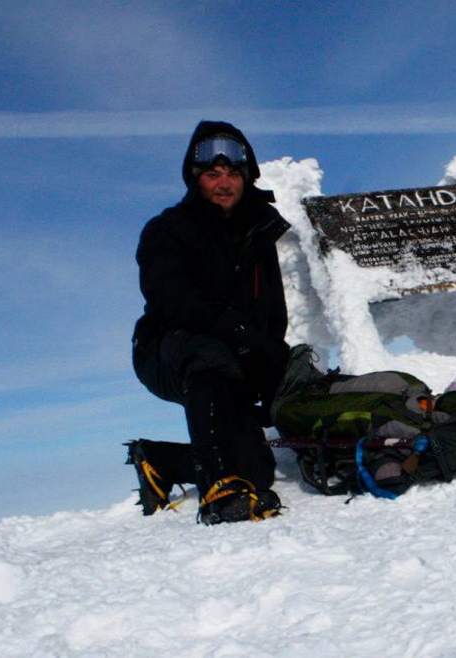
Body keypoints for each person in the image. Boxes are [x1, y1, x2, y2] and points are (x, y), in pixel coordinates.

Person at [126, 120, 291, 523]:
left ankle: (161, 459)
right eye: (213, 174)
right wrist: (242, 336)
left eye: (234, 173)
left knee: (258, 472)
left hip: (234, 356)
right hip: (167, 352)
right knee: (209, 353)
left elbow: (273, 314)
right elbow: (171, 302)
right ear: (195, 178)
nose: (224, 183)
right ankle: (220, 491)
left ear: (247, 178)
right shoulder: (166, 230)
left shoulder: (259, 233)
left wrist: (273, 371)